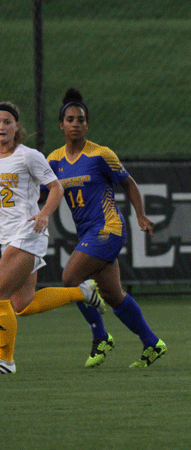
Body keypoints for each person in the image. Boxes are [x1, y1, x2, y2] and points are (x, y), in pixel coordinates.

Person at [47, 88, 167, 369]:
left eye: (81, 119)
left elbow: (128, 183)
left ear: (87, 124)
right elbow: (43, 194)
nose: (75, 123)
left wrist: (140, 215)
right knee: (113, 296)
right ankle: (152, 343)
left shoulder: (100, 154)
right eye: (70, 119)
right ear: (61, 124)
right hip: (87, 234)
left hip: (108, 228)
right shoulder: (53, 160)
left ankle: (101, 336)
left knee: (70, 278)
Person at [0, 101, 105, 374]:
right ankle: (82, 292)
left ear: (17, 127)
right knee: (22, 304)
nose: (1, 126)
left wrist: (44, 214)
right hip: (4, 237)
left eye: (7, 122)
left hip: (27, 233)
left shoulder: (28, 156)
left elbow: (56, 188)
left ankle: (5, 361)